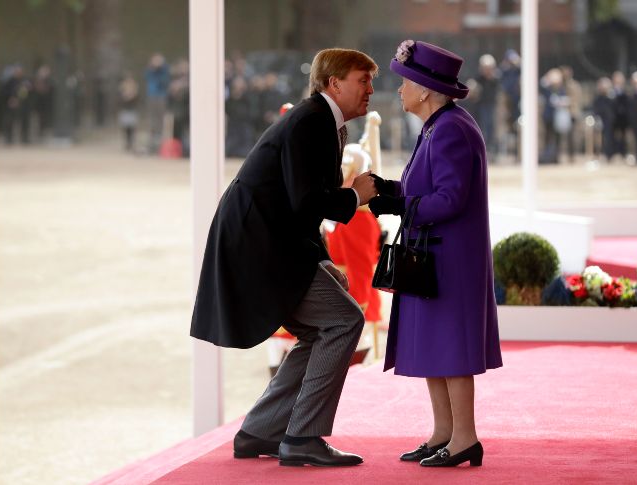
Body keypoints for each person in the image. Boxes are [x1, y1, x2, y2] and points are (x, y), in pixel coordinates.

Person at [190, 48, 379, 467]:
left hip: (265, 242)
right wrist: (355, 196)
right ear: (333, 83)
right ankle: (302, 437)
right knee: (345, 320)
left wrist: (324, 260)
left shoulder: (322, 122)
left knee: (321, 329)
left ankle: (261, 430)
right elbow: (307, 202)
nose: (370, 90)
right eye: (362, 80)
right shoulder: (312, 121)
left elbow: (300, 205)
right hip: (260, 246)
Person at [368, 40, 503, 467]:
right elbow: (423, 190)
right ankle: (444, 433)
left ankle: (465, 438)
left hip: (449, 260)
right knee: (436, 348)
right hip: (435, 256)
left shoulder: (450, 129)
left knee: (452, 351)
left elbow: (450, 199)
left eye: (404, 83)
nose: (399, 91)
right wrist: (389, 192)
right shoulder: (439, 126)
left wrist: (401, 205)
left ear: (424, 90)